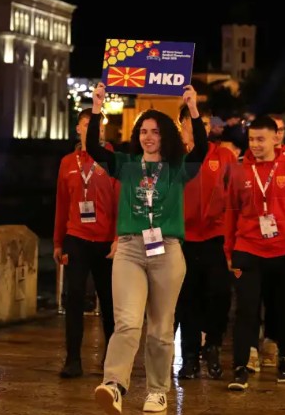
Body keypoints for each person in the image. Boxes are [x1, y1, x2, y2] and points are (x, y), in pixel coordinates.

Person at [89, 83, 208, 415]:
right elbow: (94, 149)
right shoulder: (127, 164)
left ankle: (157, 391)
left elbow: (201, 150)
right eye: (143, 131)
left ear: (165, 135)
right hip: (130, 249)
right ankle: (114, 385)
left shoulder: (177, 167)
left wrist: (193, 109)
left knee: (160, 328)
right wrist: (97, 108)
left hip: (167, 251)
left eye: (155, 131)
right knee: (127, 322)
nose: (148, 137)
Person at [225, 116, 285, 391]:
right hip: (247, 249)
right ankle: (240, 366)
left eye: (260, 139)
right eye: (251, 139)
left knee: (283, 309)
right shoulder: (240, 171)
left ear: (276, 138)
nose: (255, 144)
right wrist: (229, 251)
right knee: (246, 310)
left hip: (283, 250)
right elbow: (231, 214)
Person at [54, 109, 118, 379]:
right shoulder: (67, 162)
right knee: (74, 297)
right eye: (87, 125)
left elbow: (121, 201)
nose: (93, 130)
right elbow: (62, 203)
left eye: (98, 126)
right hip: (76, 238)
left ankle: (112, 359)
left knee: (110, 302)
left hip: (106, 241)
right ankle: (72, 359)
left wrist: (118, 237)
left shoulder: (112, 159)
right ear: (78, 129)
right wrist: (58, 242)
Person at [175, 107, 237, 380]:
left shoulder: (223, 155)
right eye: (194, 122)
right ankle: (189, 357)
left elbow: (236, 194)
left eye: (205, 122)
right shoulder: (174, 157)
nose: (201, 127)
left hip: (216, 237)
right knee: (187, 298)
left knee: (219, 294)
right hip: (184, 239)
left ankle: (212, 344)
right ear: (182, 123)